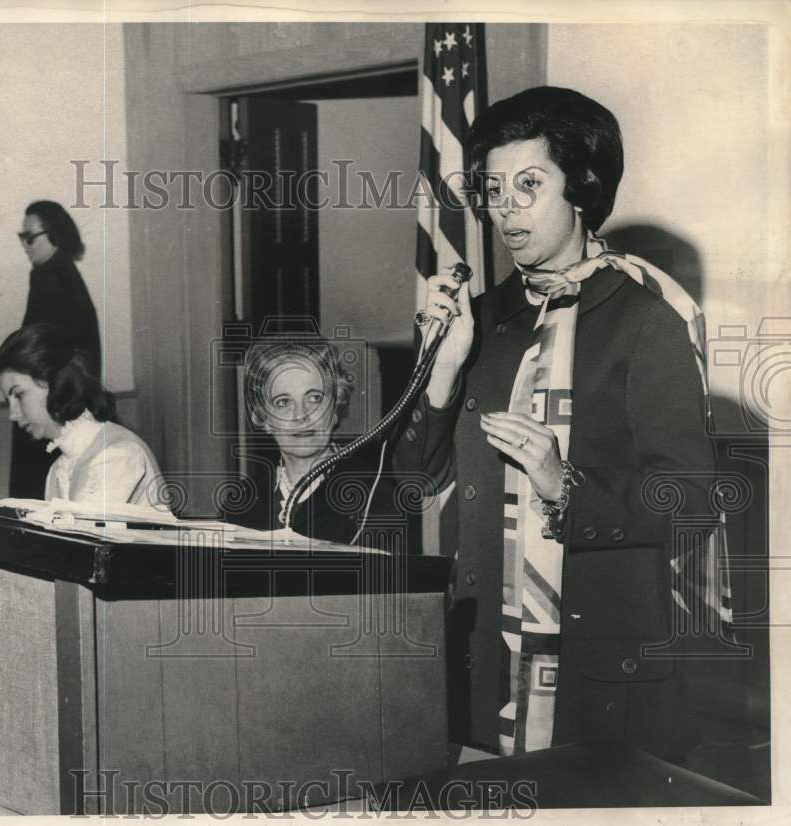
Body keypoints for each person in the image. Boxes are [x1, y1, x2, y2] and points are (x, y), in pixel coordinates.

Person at [394, 86, 725, 760]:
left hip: (597, 665)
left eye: (529, 185)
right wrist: (444, 372)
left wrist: (561, 483)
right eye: (492, 188)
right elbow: (415, 480)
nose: (505, 209)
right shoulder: (479, 317)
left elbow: (690, 500)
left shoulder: (644, 320)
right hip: (483, 654)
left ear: (584, 185)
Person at [227, 336, 404, 550]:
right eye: (283, 402)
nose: (301, 415)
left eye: (314, 398)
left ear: (336, 405)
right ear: (262, 417)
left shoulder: (374, 499)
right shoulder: (241, 502)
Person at [0, 323, 162, 511]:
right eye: (7, 401)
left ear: (56, 382)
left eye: (19, 395)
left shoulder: (118, 454)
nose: (13, 414)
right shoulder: (59, 469)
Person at [9, 200, 101, 498]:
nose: (25, 245)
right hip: (54, 404)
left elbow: (44, 355)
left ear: (55, 235)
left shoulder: (54, 278)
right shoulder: (53, 274)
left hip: (54, 408)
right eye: (21, 237)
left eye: (30, 237)